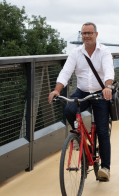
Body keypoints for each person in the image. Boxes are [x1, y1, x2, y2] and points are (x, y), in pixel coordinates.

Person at [48, 22, 114, 181]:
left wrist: (108, 87)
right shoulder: (76, 53)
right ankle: (79, 137)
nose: (87, 36)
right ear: (81, 35)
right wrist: (57, 89)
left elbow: (109, 69)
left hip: (100, 93)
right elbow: (66, 72)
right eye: (84, 33)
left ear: (96, 34)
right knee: (69, 110)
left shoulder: (104, 51)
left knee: (102, 131)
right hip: (82, 91)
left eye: (90, 33)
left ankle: (105, 168)